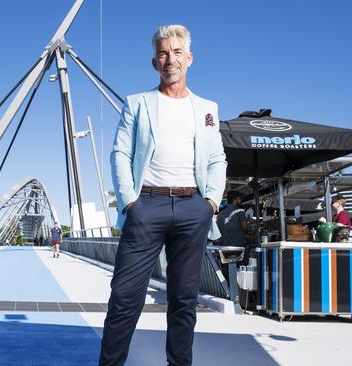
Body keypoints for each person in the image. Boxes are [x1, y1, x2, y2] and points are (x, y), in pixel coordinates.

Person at [100, 24, 227, 366]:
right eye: (162, 53)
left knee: (184, 300)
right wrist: (131, 202)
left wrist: (210, 203)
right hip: (147, 206)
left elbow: (217, 159)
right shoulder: (138, 104)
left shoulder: (207, 109)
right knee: (125, 297)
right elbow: (120, 154)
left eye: (176, 52)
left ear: (189, 58)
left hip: (192, 208)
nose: (170, 59)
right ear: (155, 62)